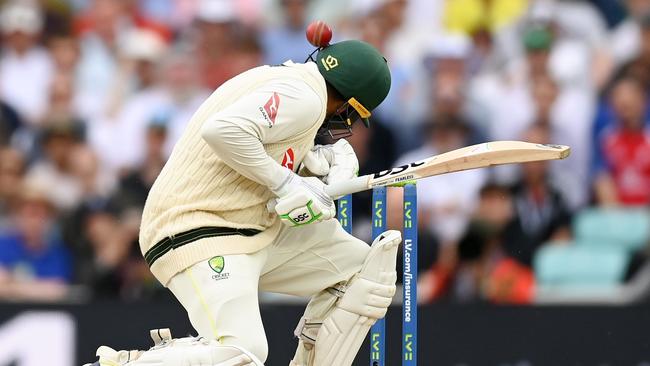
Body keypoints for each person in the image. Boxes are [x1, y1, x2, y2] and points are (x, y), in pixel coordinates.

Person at [86, 36, 400, 366]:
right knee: (240, 355)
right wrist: (287, 182)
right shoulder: (305, 97)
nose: (345, 123)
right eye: (351, 115)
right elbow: (222, 131)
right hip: (197, 227)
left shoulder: (290, 83)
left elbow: (261, 145)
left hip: (249, 229)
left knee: (364, 271)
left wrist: (316, 162)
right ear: (349, 103)